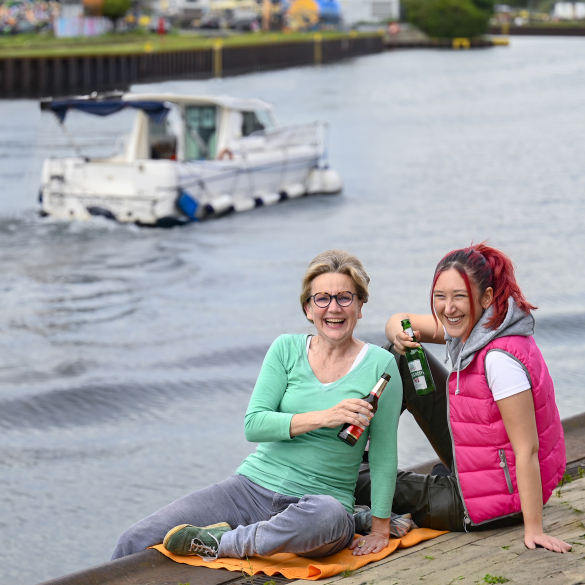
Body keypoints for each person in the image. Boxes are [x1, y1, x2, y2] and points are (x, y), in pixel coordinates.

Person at [111, 250, 402, 561]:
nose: (333, 308)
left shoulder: (380, 366)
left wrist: (380, 529)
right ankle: (254, 536)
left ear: (360, 306)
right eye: (322, 299)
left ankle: (222, 543)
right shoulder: (285, 349)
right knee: (136, 539)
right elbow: (254, 425)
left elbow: (384, 454)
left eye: (345, 298)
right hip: (249, 490)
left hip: (320, 503)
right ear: (307, 308)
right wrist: (323, 417)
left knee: (328, 514)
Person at [356, 243, 570, 553]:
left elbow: (528, 449)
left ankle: (341, 468)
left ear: (485, 297)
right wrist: (399, 336)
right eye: (440, 297)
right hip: (481, 465)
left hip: (489, 503)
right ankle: (347, 450)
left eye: (460, 296)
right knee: (401, 358)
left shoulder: (499, 358)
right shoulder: (480, 325)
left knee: (355, 481)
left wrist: (533, 528)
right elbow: (399, 319)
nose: (448, 308)